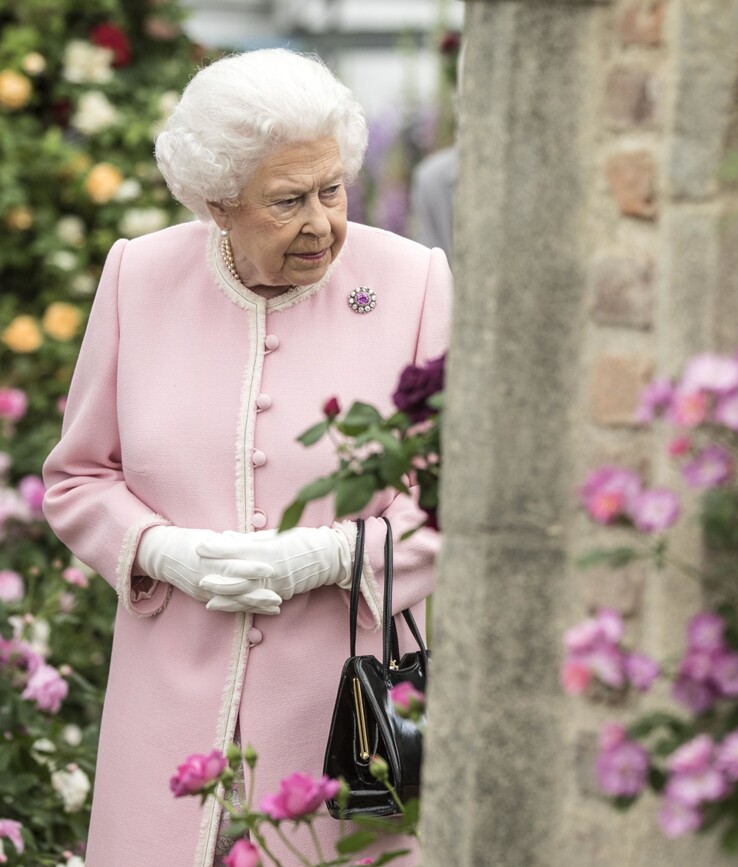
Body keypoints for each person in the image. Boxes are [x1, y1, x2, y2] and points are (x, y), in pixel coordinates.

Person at [41, 48, 450, 866]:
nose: (322, 222)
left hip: (344, 717)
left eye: (332, 190)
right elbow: (79, 475)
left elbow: (453, 495)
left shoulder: (413, 281)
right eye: (288, 201)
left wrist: (330, 553)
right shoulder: (138, 276)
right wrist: (162, 550)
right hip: (168, 708)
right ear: (217, 204)